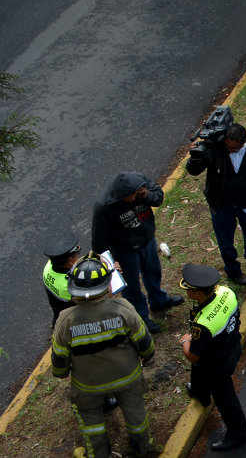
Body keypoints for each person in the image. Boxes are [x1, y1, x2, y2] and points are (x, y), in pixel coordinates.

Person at [52, 253, 158, 458]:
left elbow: (59, 362)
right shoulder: (123, 309)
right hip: (128, 378)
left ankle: (101, 454)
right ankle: (143, 448)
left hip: (88, 387)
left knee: (91, 421)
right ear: (107, 285)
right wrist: (147, 355)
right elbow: (145, 343)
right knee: (136, 413)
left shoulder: (66, 320)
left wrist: (62, 373)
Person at [92, 171, 183, 333]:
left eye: (137, 194)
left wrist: (147, 195)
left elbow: (159, 198)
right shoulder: (104, 206)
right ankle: (141, 317)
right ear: (121, 195)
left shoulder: (140, 184)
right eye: (131, 197)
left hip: (147, 241)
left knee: (154, 273)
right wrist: (109, 262)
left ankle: (159, 301)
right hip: (124, 251)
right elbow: (99, 240)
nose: (134, 199)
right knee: (131, 287)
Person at [186, 122, 246, 286]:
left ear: (244, 141)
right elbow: (193, 171)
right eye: (227, 147)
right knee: (226, 242)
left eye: (234, 149)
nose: (229, 151)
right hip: (222, 204)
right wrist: (194, 157)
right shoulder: (215, 148)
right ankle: (234, 271)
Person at [178, 264, 246, 452]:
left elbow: (193, 356)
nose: (188, 292)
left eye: (190, 290)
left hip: (218, 364)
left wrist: (185, 342)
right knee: (200, 370)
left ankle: (238, 434)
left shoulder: (203, 324)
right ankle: (200, 392)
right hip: (231, 346)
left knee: (225, 398)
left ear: (198, 294)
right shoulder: (227, 292)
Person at [42, 232, 83, 324]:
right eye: (77, 254)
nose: (79, 256)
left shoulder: (48, 267)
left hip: (58, 312)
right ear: (70, 261)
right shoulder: (71, 284)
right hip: (72, 320)